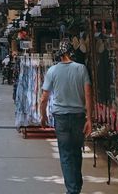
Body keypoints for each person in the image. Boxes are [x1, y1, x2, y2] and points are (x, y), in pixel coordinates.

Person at [40, 42, 92, 194]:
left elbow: (44, 98)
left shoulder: (52, 70)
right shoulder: (81, 69)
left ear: (60, 55)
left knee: (66, 154)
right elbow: (88, 94)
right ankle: (76, 187)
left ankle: (72, 190)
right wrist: (89, 118)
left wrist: (43, 116)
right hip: (78, 116)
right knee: (76, 151)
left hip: (61, 117)